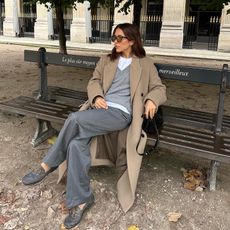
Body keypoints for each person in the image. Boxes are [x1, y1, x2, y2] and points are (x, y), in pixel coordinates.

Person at [22, 23, 167, 229]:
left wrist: (152, 99)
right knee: (75, 145)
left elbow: (160, 88)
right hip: (99, 110)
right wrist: (97, 95)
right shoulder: (106, 60)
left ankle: (48, 164)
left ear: (132, 41)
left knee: (74, 119)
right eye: (113, 37)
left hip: (121, 114)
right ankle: (82, 200)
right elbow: (93, 81)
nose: (115, 42)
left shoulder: (145, 63)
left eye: (119, 38)